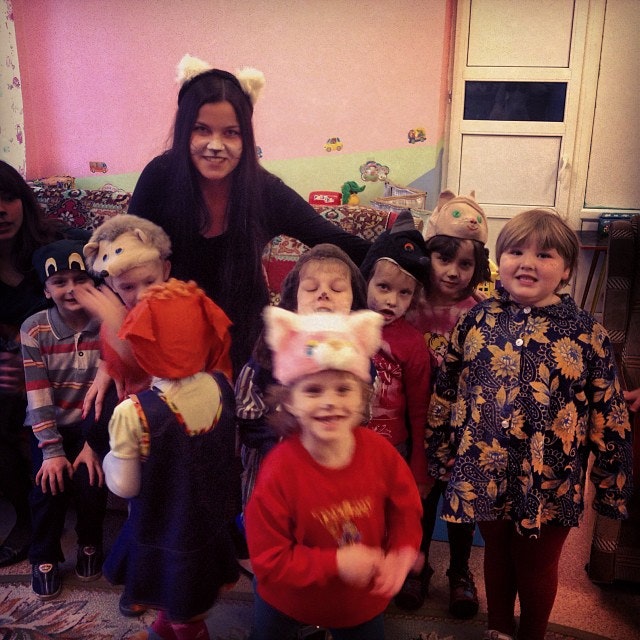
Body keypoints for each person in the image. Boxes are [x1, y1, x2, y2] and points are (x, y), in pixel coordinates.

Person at [426, 208, 634, 640]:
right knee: (497, 554)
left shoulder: (586, 333)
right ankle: (499, 629)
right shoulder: (474, 321)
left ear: (566, 270)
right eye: (516, 252)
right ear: (499, 261)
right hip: (483, 468)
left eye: (544, 255)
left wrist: (611, 480)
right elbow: (447, 388)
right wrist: (440, 449)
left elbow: (608, 412)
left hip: (551, 477)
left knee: (536, 563)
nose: (527, 263)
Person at [128, 54, 371, 378]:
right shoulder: (160, 177)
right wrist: (110, 357)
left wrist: (415, 260)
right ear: (185, 130)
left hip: (244, 347)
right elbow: (121, 261)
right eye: (201, 130)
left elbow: (339, 242)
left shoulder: (264, 190)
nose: (216, 145)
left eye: (231, 133)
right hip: (170, 345)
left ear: (246, 138)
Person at [245, 308, 423, 640]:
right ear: (290, 401)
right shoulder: (279, 470)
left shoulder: (381, 453)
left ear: (362, 396)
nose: (330, 401)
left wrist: (402, 549)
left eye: (343, 389)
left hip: (358, 601)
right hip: (287, 600)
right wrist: (336, 564)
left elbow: (406, 509)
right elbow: (269, 559)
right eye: (313, 390)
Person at [102, 279, 238, 640]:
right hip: (208, 523)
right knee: (177, 599)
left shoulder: (134, 412)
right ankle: (161, 632)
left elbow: (125, 485)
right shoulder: (221, 386)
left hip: (162, 530)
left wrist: (108, 462)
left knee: (186, 616)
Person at [75, 213, 173, 618]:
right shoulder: (116, 320)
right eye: (127, 287)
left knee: (163, 508)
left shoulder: (178, 309)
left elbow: (161, 364)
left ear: (166, 270)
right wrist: (105, 365)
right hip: (135, 429)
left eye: (149, 282)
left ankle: (146, 574)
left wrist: (116, 324)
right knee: (141, 506)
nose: (140, 294)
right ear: (113, 286)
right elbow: (119, 370)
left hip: (174, 426)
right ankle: (136, 578)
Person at [405, 190, 492, 615]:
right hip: (415, 424)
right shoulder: (408, 303)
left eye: (465, 264)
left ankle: (460, 573)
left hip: (461, 429)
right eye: (444, 260)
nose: (454, 272)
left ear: (478, 268)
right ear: (429, 256)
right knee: (420, 501)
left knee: (461, 504)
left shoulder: (479, 314)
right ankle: (418, 568)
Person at [235, 243, 368, 517]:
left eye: (337, 289)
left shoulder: (359, 357)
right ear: (293, 299)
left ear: (354, 301)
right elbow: (247, 416)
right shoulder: (269, 353)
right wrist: (277, 445)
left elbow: (362, 414)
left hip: (332, 464)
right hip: (273, 461)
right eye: (310, 288)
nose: (323, 294)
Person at [20, 238, 108, 599]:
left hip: (92, 424)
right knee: (47, 486)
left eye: (80, 279)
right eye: (60, 282)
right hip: (49, 425)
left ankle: (90, 541)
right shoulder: (35, 329)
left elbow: (110, 391)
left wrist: (93, 441)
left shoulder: (108, 323)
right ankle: (43, 554)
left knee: (93, 481)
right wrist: (52, 451)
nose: (71, 289)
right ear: (46, 289)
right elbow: (38, 395)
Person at [358, 210, 434, 609]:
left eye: (404, 294)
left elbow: (420, 411)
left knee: (389, 518)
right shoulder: (348, 328)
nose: (391, 300)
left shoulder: (412, 343)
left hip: (393, 451)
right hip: (350, 448)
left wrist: (419, 466)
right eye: (384, 287)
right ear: (366, 280)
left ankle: (389, 578)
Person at [0, 160, 62, 568]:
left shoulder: (56, 244)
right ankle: (26, 518)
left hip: (68, 363)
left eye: (8, 198)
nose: (1, 211)